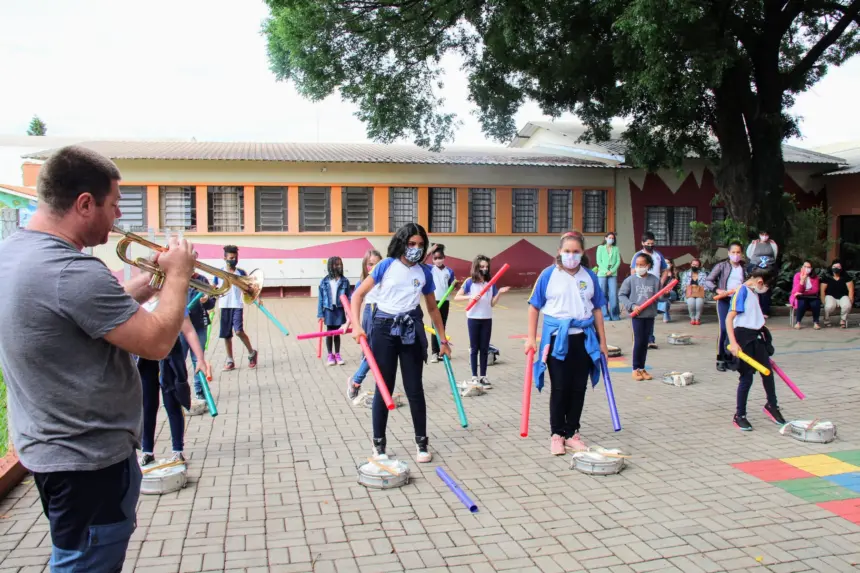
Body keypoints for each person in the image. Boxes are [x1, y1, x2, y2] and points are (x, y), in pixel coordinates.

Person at [0, 145, 195, 571]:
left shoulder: (16, 252)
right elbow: (159, 342)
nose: (117, 218)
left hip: (51, 449)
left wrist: (143, 288)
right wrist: (179, 276)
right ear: (84, 204)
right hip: (88, 462)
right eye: (113, 206)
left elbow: (77, 316)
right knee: (83, 564)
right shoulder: (73, 271)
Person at [350, 223, 450, 463]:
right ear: (402, 243)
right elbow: (357, 295)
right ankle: (379, 445)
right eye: (411, 244)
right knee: (384, 387)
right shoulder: (386, 265)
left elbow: (433, 309)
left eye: (420, 245)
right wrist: (357, 325)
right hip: (383, 329)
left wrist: (443, 339)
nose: (415, 248)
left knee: (414, 388)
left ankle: (422, 443)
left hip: (411, 329)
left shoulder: (424, 272)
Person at [525, 231, 609, 456]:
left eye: (576, 251)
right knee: (560, 387)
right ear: (559, 252)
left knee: (578, 387)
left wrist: (603, 342)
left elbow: (598, 309)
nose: (571, 255)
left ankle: (572, 432)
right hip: (556, 339)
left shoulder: (589, 276)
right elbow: (534, 306)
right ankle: (557, 434)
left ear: (582, 253)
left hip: (583, 338)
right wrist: (532, 338)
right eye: (567, 251)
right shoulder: (548, 275)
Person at [138, 297, 212, 466]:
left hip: (169, 355)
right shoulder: (138, 300)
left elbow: (189, 330)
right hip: (144, 356)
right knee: (147, 406)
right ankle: (147, 451)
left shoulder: (172, 298)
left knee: (173, 402)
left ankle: (177, 451)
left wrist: (200, 358)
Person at [726, 266, 786, 431]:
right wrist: (733, 343)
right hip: (743, 338)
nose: (765, 289)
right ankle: (740, 415)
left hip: (757, 337)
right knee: (747, 377)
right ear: (760, 282)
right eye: (765, 286)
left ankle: (771, 406)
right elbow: (729, 318)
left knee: (767, 373)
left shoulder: (752, 293)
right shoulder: (743, 291)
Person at [454, 255, 510, 388]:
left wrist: (499, 293)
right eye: (482, 266)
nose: (484, 269)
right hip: (473, 318)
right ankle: (474, 377)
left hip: (487, 318)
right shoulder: (469, 282)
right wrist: (471, 296)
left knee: (484, 349)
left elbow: (492, 303)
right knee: (474, 348)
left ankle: (483, 376)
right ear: (476, 267)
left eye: (486, 267)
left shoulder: (490, 283)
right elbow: (457, 297)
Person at [346, 249, 382, 400]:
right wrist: (350, 322)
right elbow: (356, 302)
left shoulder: (385, 279)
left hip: (384, 314)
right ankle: (355, 381)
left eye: (377, 264)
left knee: (376, 353)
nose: (373, 267)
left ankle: (378, 384)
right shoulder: (363, 282)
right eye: (370, 264)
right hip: (370, 314)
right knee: (372, 352)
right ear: (365, 265)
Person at [705, 241, 747, 372]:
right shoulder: (721, 266)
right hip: (724, 300)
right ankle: (721, 358)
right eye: (733, 252)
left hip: (738, 300)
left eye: (738, 252)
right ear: (729, 253)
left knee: (736, 329)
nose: (736, 255)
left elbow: (750, 282)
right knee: (724, 328)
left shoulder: (744, 268)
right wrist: (718, 290)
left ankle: (732, 357)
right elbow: (708, 280)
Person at [215, 245, 258, 370]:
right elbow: (214, 286)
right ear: (225, 258)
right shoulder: (219, 273)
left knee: (238, 331)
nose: (234, 260)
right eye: (231, 257)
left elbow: (251, 287)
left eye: (235, 257)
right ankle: (230, 360)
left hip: (237, 305)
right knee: (226, 335)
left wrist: (255, 297)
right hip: (224, 306)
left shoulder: (241, 273)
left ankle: (251, 352)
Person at [619, 253, 661, 381]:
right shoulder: (630, 280)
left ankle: (642, 368)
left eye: (641, 265)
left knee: (645, 342)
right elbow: (622, 295)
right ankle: (635, 369)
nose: (639, 267)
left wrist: (666, 294)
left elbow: (660, 296)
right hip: (637, 315)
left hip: (649, 315)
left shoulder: (654, 280)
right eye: (637, 265)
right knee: (638, 342)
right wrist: (632, 306)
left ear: (648, 265)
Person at [182, 274, 216, 401]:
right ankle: (179, 392)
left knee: (198, 359)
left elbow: (211, 304)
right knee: (179, 361)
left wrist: (206, 300)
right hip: (181, 327)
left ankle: (200, 390)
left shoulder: (202, 280)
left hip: (199, 326)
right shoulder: (177, 277)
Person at [631, 232, 667, 348]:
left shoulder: (658, 255)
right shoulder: (637, 255)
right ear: (642, 243)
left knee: (651, 313)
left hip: (653, 288)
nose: (650, 246)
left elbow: (665, 270)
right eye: (648, 243)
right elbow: (633, 271)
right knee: (639, 313)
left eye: (652, 243)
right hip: (640, 288)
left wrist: (660, 283)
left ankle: (650, 339)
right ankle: (639, 339)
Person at [318, 256, 350, 366]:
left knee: (337, 333)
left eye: (340, 264)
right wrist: (320, 314)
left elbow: (348, 297)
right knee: (329, 332)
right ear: (330, 266)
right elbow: (321, 299)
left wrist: (349, 312)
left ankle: (337, 354)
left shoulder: (345, 281)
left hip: (339, 309)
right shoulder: (324, 281)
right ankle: (330, 355)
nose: (338, 266)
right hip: (328, 310)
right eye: (336, 264)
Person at [427, 243, 456, 362]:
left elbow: (450, 285)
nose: (438, 260)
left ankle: (442, 350)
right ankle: (434, 352)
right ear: (432, 259)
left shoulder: (449, 271)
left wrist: (454, 285)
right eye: (435, 258)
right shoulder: (430, 269)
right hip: (434, 301)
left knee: (442, 326)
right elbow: (420, 263)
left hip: (445, 301)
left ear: (444, 257)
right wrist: (430, 251)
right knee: (435, 327)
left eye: (440, 258)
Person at [746, 231, 778, 318]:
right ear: (759, 235)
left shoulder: (772, 244)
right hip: (755, 267)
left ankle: (765, 311)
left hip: (768, 268)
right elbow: (749, 255)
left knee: (765, 289)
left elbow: (775, 255)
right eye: (762, 234)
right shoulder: (754, 243)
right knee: (755, 288)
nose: (764, 236)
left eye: (766, 235)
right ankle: (754, 310)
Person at [822, 259, 854, 328]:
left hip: (843, 296)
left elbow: (851, 289)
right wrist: (823, 301)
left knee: (847, 305)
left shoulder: (846, 277)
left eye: (838, 267)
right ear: (831, 267)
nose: (836, 268)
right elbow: (822, 290)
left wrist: (851, 299)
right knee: (829, 306)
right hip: (830, 296)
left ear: (841, 268)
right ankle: (826, 319)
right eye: (834, 266)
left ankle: (843, 320)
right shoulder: (827, 277)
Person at [596, 232, 621, 321]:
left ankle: (614, 315)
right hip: (602, 273)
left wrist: (612, 271)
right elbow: (599, 261)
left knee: (613, 293)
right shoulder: (600, 248)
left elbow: (618, 261)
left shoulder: (616, 249)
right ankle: (605, 315)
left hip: (613, 273)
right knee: (603, 293)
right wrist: (606, 271)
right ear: (605, 238)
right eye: (609, 237)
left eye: (612, 238)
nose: (611, 239)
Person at [790, 261, 822, 330]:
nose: (806, 268)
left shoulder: (815, 277)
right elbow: (796, 291)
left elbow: (815, 290)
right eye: (805, 266)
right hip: (799, 297)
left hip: (811, 296)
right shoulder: (797, 276)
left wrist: (803, 293)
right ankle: (798, 322)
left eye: (808, 267)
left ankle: (816, 322)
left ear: (811, 268)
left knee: (816, 302)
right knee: (801, 301)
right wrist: (802, 281)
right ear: (802, 267)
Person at [680, 258, 709, 325]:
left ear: (699, 266)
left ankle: (697, 318)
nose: (694, 266)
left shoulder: (703, 274)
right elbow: (683, 286)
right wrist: (689, 288)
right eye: (693, 264)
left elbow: (706, 286)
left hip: (700, 294)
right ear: (691, 265)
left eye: (696, 265)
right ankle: (692, 318)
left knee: (699, 303)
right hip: (689, 293)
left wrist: (699, 288)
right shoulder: (686, 274)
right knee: (691, 303)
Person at [657, 259, 679, 323]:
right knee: (666, 299)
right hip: (663, 294)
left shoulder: (675, 274)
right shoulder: (660, 274)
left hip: (673, 293)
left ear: (671, 264)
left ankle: (661, 311)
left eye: (668, 263)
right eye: (665, 263)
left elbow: (677, 286)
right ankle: (666, 315)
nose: (666, 264)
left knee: (665, 295)